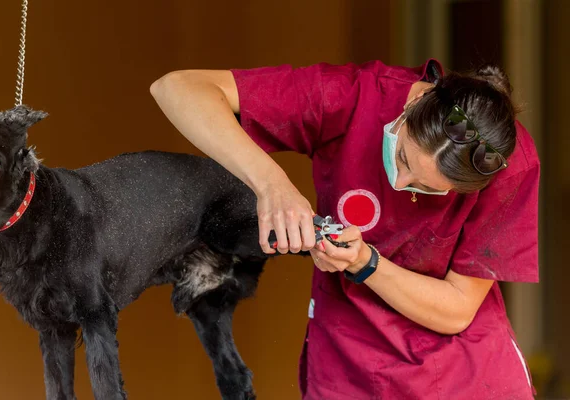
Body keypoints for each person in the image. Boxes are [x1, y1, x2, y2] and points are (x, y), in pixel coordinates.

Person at [149, 57, 540, 399]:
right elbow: (178, 89)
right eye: (402, 156)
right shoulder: (353, 96)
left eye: (427, 188)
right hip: (347, 369)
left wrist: (366, 263)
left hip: (464, 380)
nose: (400, 183)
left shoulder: (507, 165)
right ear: (416, 102)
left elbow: (456, 309)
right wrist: (271, 183)